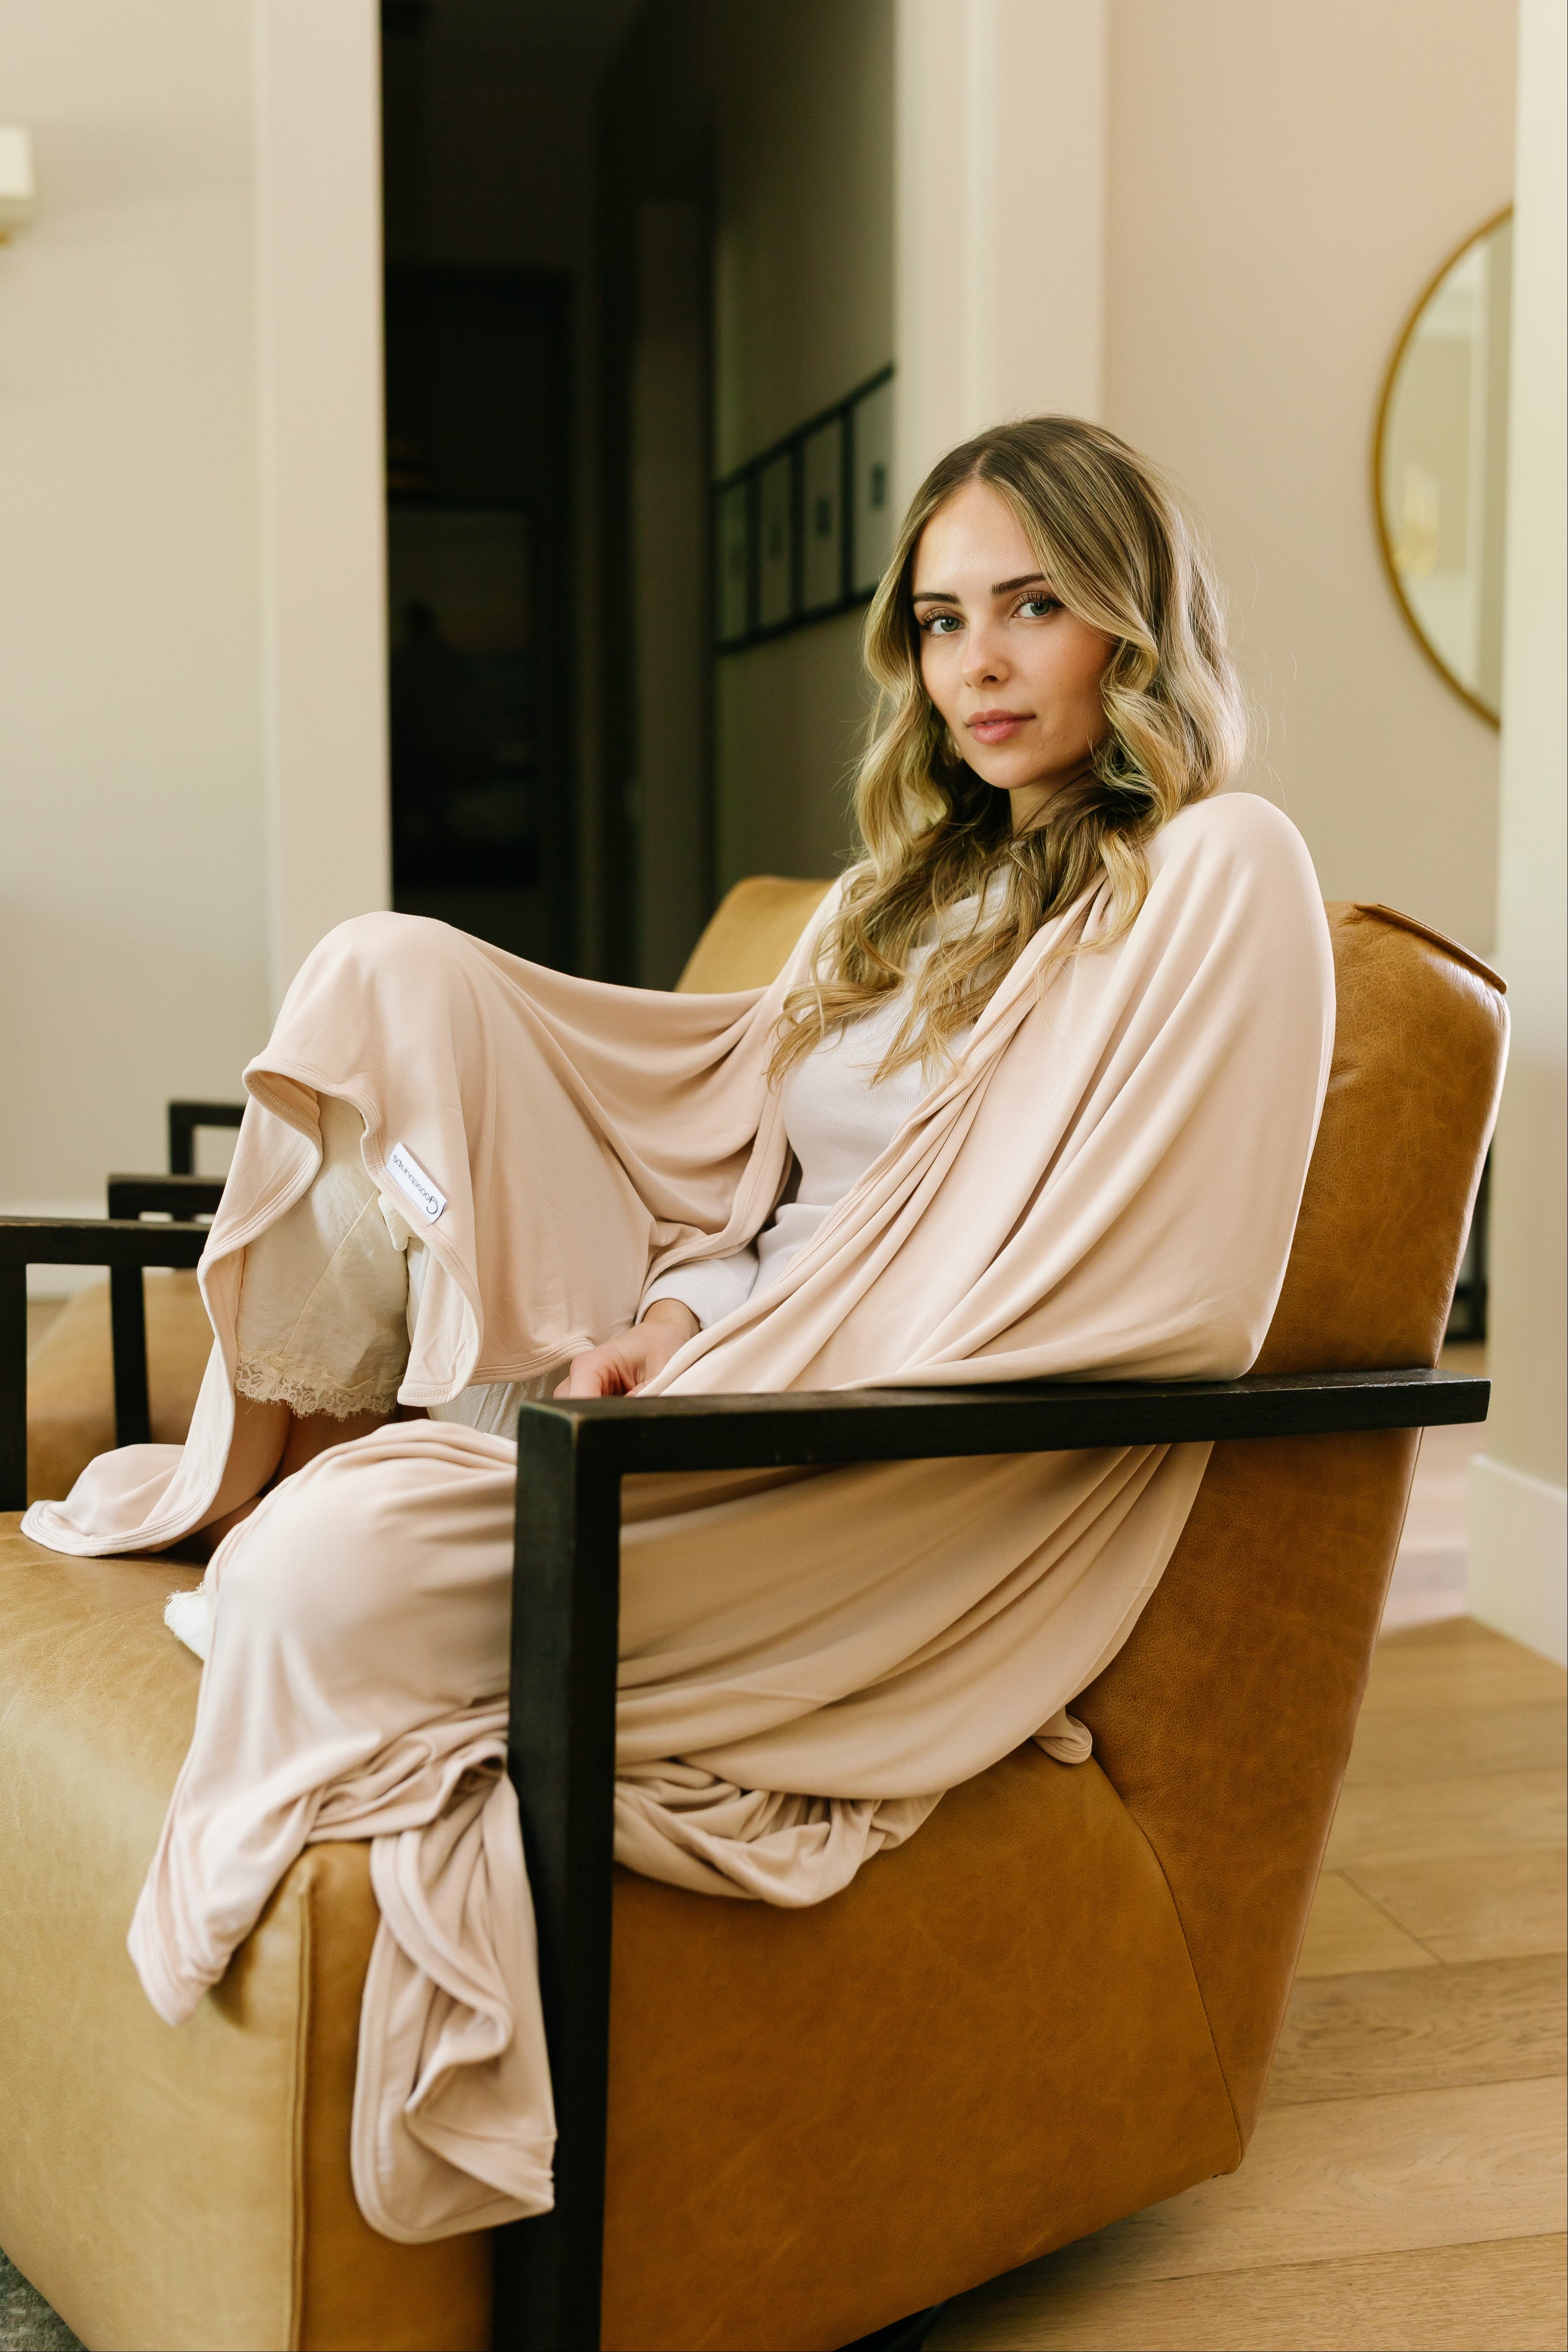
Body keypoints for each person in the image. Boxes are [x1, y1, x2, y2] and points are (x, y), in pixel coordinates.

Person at [24, 418, 1335, 2243]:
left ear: (1128, 624)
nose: (978, 661)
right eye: (943, 618)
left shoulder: (1211, 873)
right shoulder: (898, 904)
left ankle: (397, 1502)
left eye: (1031, 605)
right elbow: (759, 1201)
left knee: (301, 1580)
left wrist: (773, 1371)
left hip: (900, 1472)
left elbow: (1164, 1294)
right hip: (725, 1388)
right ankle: (411, 1456)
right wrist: (670, 1314)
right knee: (385, 968)